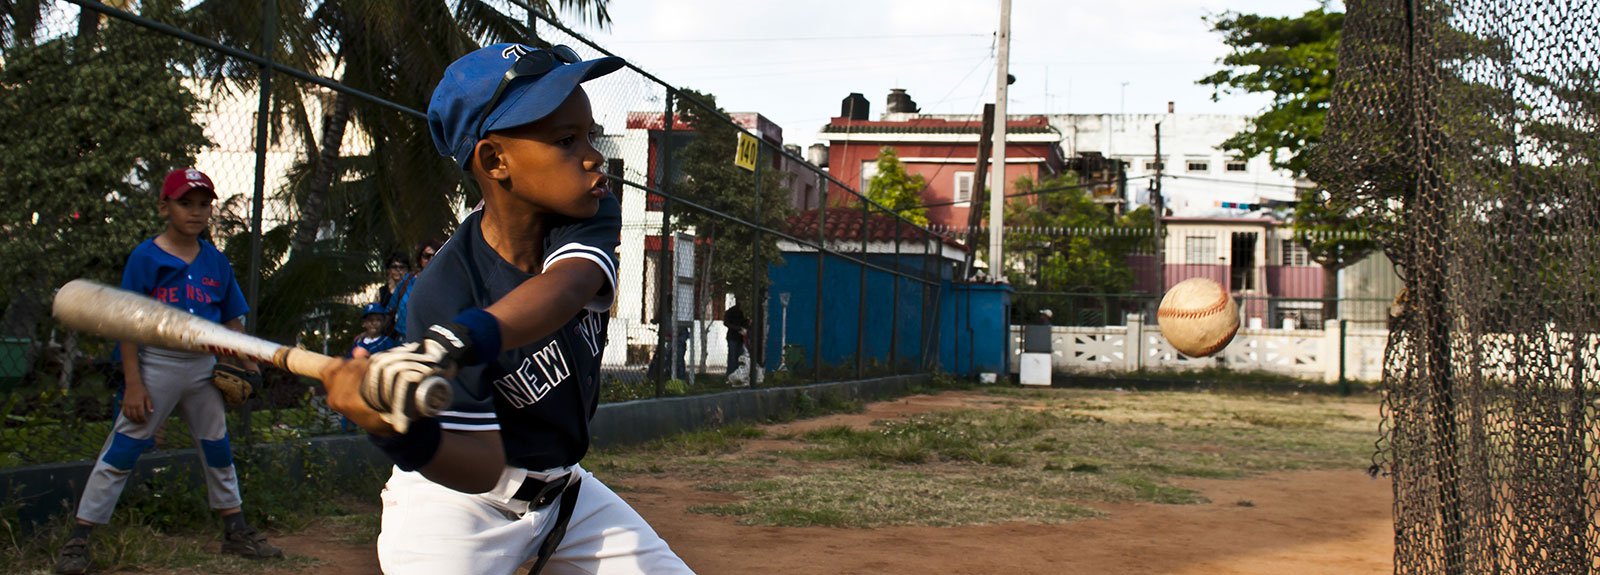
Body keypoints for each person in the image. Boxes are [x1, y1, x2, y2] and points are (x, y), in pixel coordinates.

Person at [320, 43, 693, 574]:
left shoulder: (584, 212)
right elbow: (475, 468)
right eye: (566, 141)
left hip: (566, 494)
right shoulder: (443, 292)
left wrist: (464, 338)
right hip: (458, 512)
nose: (592, 155)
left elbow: (566, 287)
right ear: (495, 161)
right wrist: (396, 430)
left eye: (588, 133)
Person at [55, 168, 282, 575]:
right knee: (122, 450)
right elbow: (126, 323)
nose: (196, 212)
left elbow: (232, 320)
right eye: (185, 203)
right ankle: (78, 540)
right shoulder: (147, 257)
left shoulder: (215, 261)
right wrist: (134, 383)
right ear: (165, 207)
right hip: (155, 365)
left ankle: (235, 531)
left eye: (203, 204)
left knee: (217, 449)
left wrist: (249, 364)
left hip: (203, 367)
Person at [386, 240, 441, 340]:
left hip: (431, 339)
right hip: (402, 337)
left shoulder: (445, 282)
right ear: (420, 258)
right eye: (426, 256)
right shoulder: (408, 279)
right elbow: (391, 308)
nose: (431, 259)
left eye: (435, 255)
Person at [723, 302, 749, 378]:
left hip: (739, 338)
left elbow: (743, 323)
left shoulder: (742, 313)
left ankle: (737, 375)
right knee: (733, 357)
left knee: (739, 356)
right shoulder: (731, 312)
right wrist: (738, 328)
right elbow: (726, 323)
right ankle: (731, 375)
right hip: (733, 337)